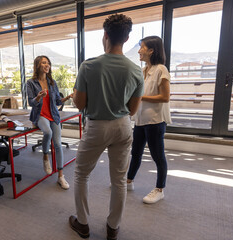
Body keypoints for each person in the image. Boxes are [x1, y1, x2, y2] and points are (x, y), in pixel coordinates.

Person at [69, 14, 144, 240]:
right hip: (123, 126)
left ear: (105, 36)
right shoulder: (136, 70)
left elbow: (80, 104)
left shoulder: (89, 66)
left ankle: (82, 224)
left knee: (82, 174)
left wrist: (75, 95)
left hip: (97, 126)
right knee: (119, 179)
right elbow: (132, 110)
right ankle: (113, 228)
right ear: (127, 37)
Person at [126, 36, 171, 204]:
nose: (139, 51)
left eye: (142, 47)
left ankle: (160, 189)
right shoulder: (144, 70)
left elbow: (165, 97)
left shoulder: (161, 70)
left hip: (155, 121)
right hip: (141, 119)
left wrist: (140, 97)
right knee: (135, 152)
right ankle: (129, 181)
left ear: (151, 50)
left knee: (157, 156)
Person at [26, 55, 73, 190]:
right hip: (40, 114)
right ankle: (45, 155)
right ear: (38, 66)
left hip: (53, 114)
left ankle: (61, 177)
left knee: (58, 144)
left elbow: (58, 101)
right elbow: (31, 102)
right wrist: (39, 96)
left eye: (48, 63)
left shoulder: (52, 82)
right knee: (47, 132)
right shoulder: (31, 82)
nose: (47, 65)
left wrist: (67, 98)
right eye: (43, 63)